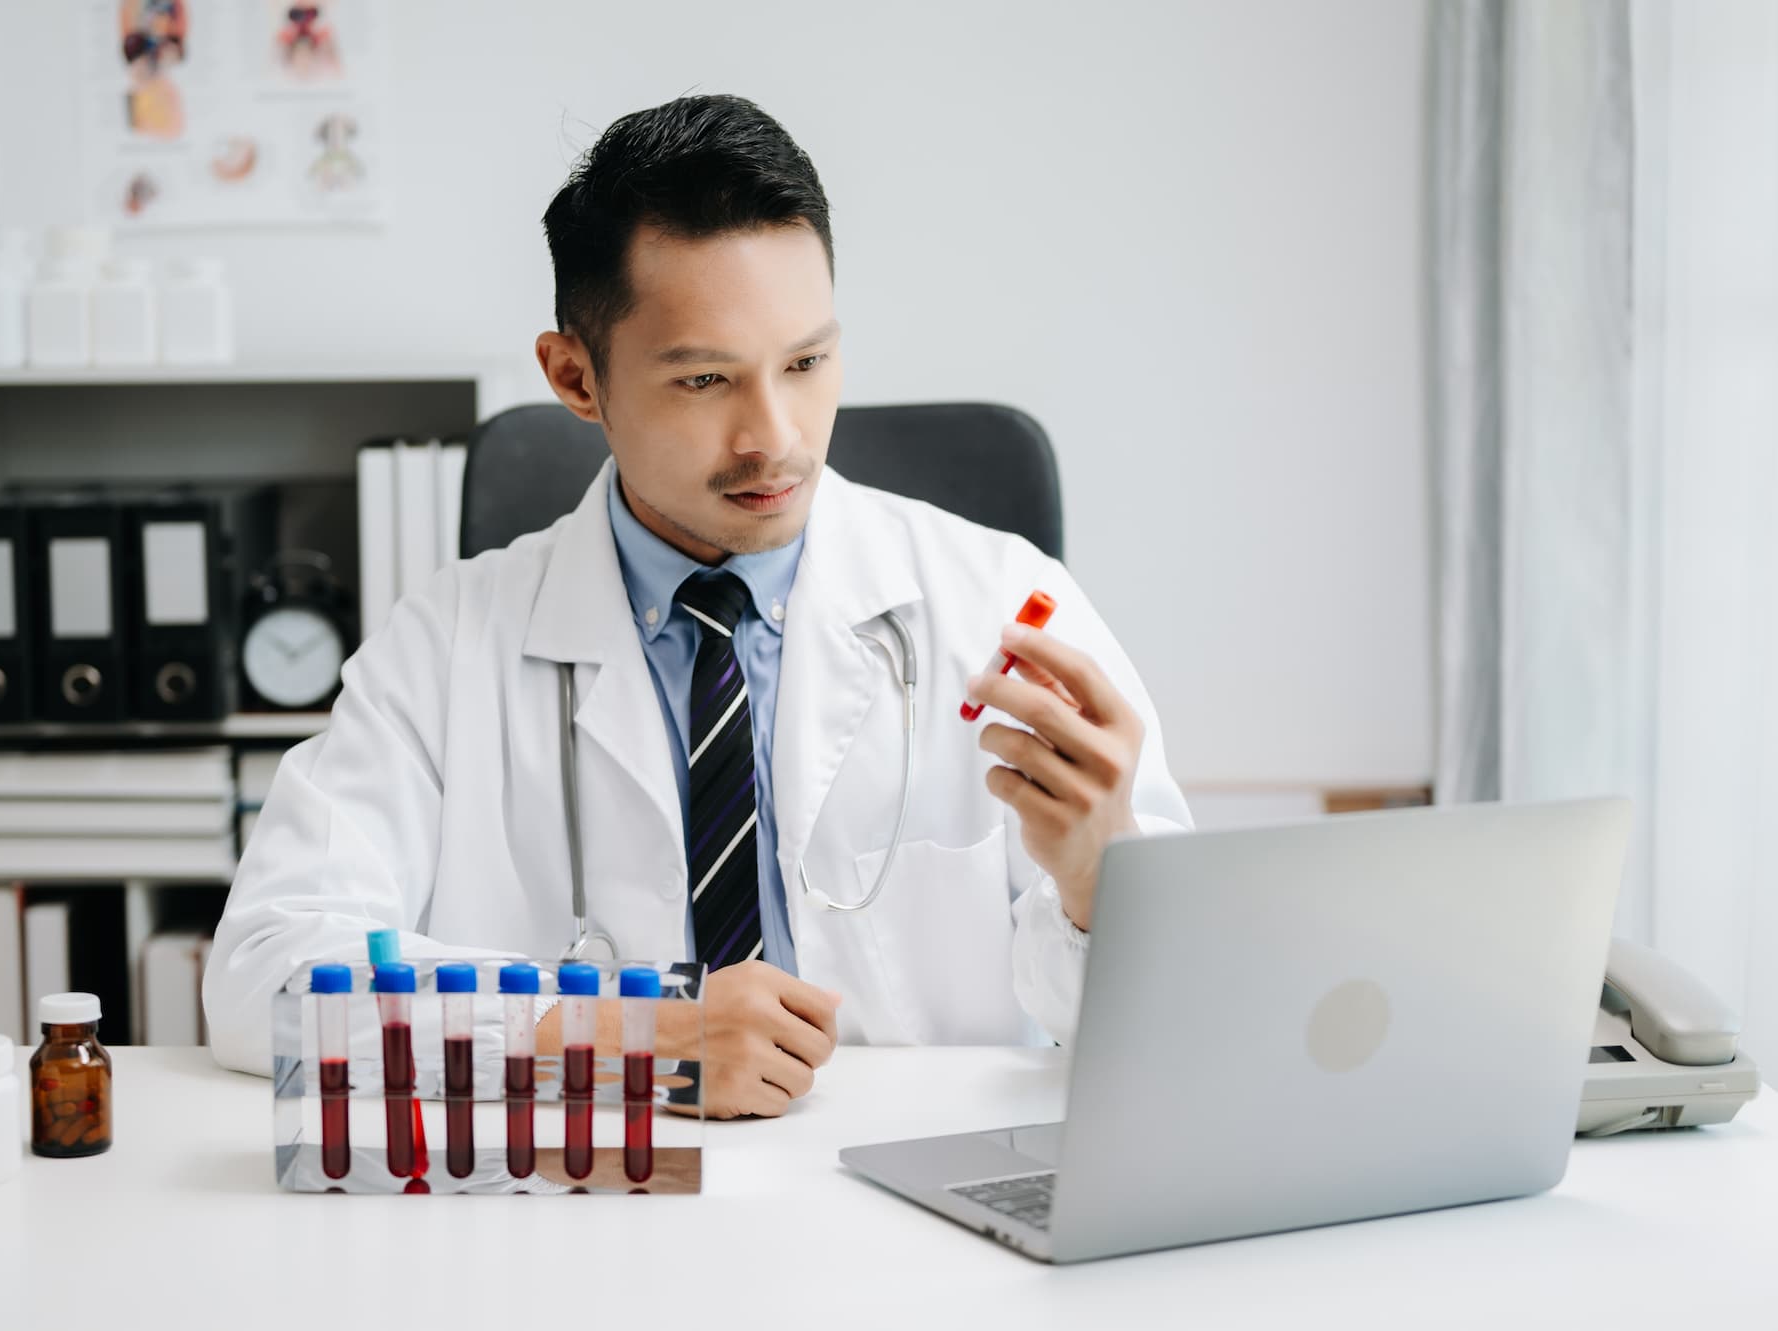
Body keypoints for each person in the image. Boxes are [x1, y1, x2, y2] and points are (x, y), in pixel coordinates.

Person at [204, 94, 1191, 1117]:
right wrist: (620, 1038)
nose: (776, 436)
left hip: (919, 1213)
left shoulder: (997, 602)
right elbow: (265, 978)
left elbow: (1181, 1020)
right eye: (708, 378)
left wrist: (1096, 886)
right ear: (576, 378)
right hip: (594, 1209)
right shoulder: (447, 645)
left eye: (807, 363)